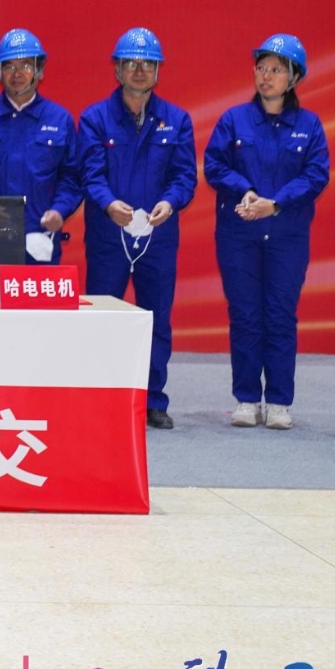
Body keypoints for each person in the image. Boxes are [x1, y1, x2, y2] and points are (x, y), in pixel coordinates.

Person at [205, 33, 330, 431]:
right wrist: (245, 190)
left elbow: (316, 175)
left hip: (286, 235)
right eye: (261, 67)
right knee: (244, 314)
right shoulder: (234, 120)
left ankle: (278, 400)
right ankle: (245, 398)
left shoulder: (309, 125)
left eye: (276, 69)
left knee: (280, 316)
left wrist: (275, 203)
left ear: (294, 78)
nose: (266, 76)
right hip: (238, 234)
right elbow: (214, 166)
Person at [80, 27, 197, 431]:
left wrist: (172, 201)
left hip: (158, 237)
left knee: (155, 319)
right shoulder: (95, 118)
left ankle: (153, 400)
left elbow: (184, 176)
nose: (140, 70)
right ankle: (102, 397)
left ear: (158, 71)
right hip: (108, 236)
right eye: (131, 63)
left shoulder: (177, 120)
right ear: (117, 69)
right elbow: (90, 174)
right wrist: (108, 203)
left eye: (148, 64)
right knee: (103, 320)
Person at [0, 28, 82, 265]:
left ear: (39, 71)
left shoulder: (59, 119)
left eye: (26, 66)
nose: (17, 74)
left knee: (38, 292)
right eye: (9, 66)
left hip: (41, 237)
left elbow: (71, 177)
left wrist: (60, 210)